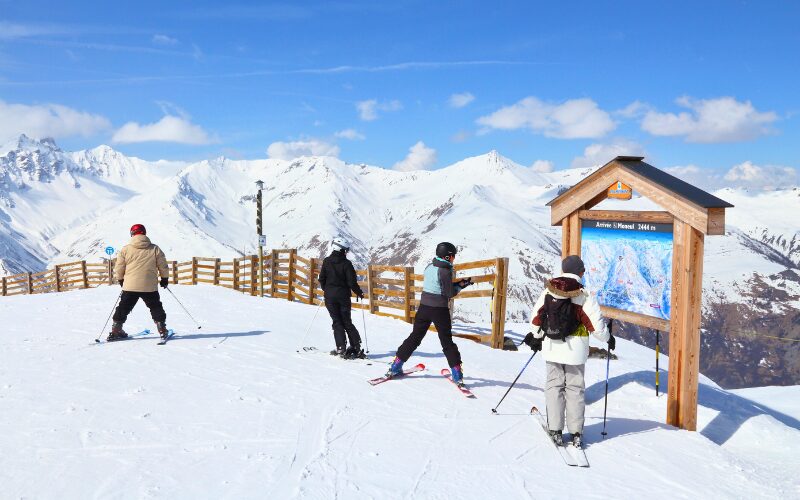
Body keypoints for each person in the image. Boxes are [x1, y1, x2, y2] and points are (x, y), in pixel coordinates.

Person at [524, 255, 615, 449]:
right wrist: (609, 339)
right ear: (581, 271)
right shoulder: (583, 295)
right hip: (576, 351)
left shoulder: (549, 290)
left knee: (554, 387)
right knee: (575, 389)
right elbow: (597, 328)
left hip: (552, 347)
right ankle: (576, 433)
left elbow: (536, 319)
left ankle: (555, 430)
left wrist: (538, 336)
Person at [386, 242, 473, 384]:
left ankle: (396, 365)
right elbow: (449, 293)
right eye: (452, 256)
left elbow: (436, 284)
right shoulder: (445, 271)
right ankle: (457, 374)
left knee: (414, 338)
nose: (453, 259)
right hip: (439, 310)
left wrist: (458, 283)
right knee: (447, 342)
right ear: (446, 257)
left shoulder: (429, 266)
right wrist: (460, 286)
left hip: (424, 308)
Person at [109, 224, 171, 341]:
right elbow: (163, 266)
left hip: (130, 286)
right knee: (155, 307)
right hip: (149, 286)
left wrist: (121, 280)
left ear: (132, 234)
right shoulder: (155, 248)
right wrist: (164, 279)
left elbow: (119, 268)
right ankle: (162, 329)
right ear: (144, 233)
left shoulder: (126, 249)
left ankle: (116, 330)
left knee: (123, 308)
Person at [318, 236, 366, 359]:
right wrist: (359, 293)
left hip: (330, 297)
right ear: (341, 250)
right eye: (345, 250)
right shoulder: (347, 264)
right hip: (343, 297)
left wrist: (327, 290)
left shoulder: (327, 261)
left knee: (337, 321)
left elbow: (321, 279)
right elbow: (352, 283)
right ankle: (355, 346)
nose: (346, 252)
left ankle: (341, 348)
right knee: (347, 321)